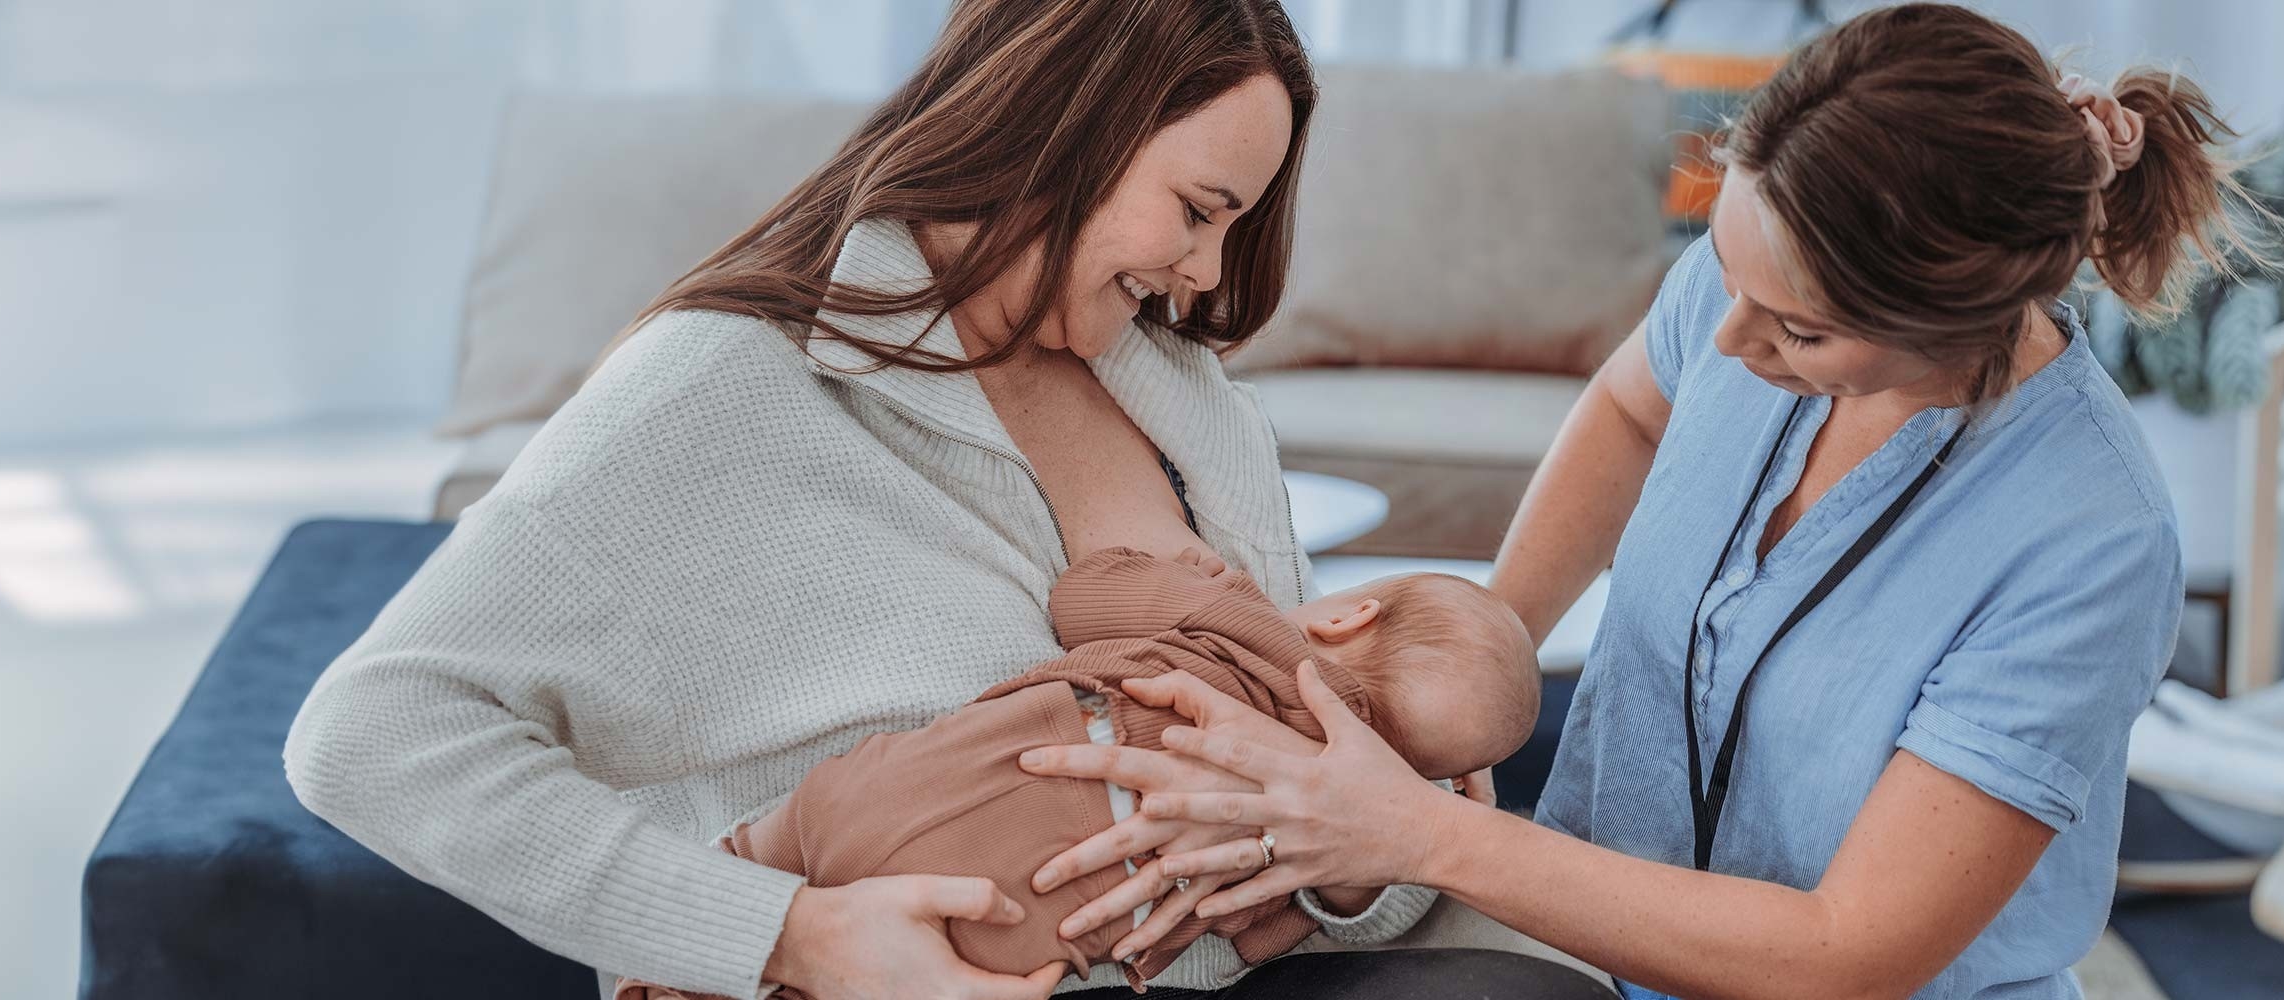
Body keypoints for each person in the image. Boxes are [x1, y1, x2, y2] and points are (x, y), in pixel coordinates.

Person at [284, 1, 1602, 997]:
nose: (1206, 279)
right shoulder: (728, 382)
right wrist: (789, 934)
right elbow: (371, 733)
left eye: (1230, 229)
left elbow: (1295, 756)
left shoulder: (1183, 399)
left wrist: (1355, 870)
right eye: (1198, 211)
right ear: (1064, 126)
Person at [1013, 4, 2266, 998]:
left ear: (1951, 325)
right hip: (1569, 950)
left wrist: (1417, 835)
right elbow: (1629, 407)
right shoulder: (1762, 273)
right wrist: (1479, 653)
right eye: (1723, 271)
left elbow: (1848, 954)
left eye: (1798, 332)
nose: (1727, 344)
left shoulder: (2089, 542)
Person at [611, 546, 1538, 999]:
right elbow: (1261, 936)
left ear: (1347, 617)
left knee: (785, 836)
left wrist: (1171, 568)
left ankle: (696, 934)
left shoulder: (1242, 620)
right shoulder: (1311, 830)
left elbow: (1083, 598)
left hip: (938, 781)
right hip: (1020, 931)